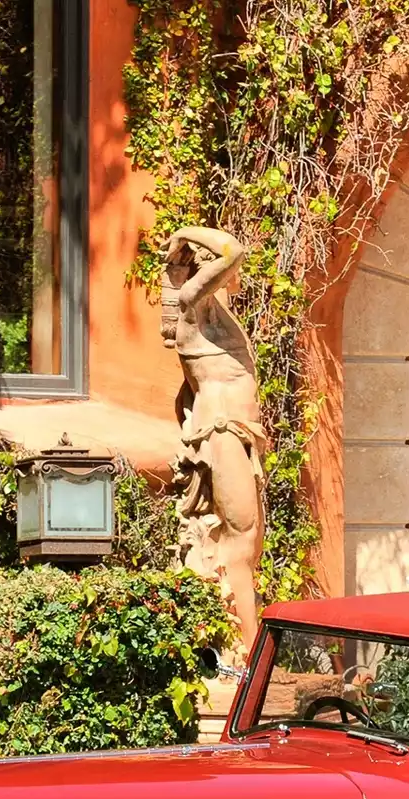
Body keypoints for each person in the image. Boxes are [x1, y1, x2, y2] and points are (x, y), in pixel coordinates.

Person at [161, 227, 266, 648]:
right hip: (220, 431)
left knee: (247, 540)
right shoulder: (190, 310)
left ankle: (235, 642)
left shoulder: (218, 324)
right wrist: (184, 235)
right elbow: (232, 251)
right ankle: (250, 649)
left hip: (239, 434)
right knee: (242, 535)